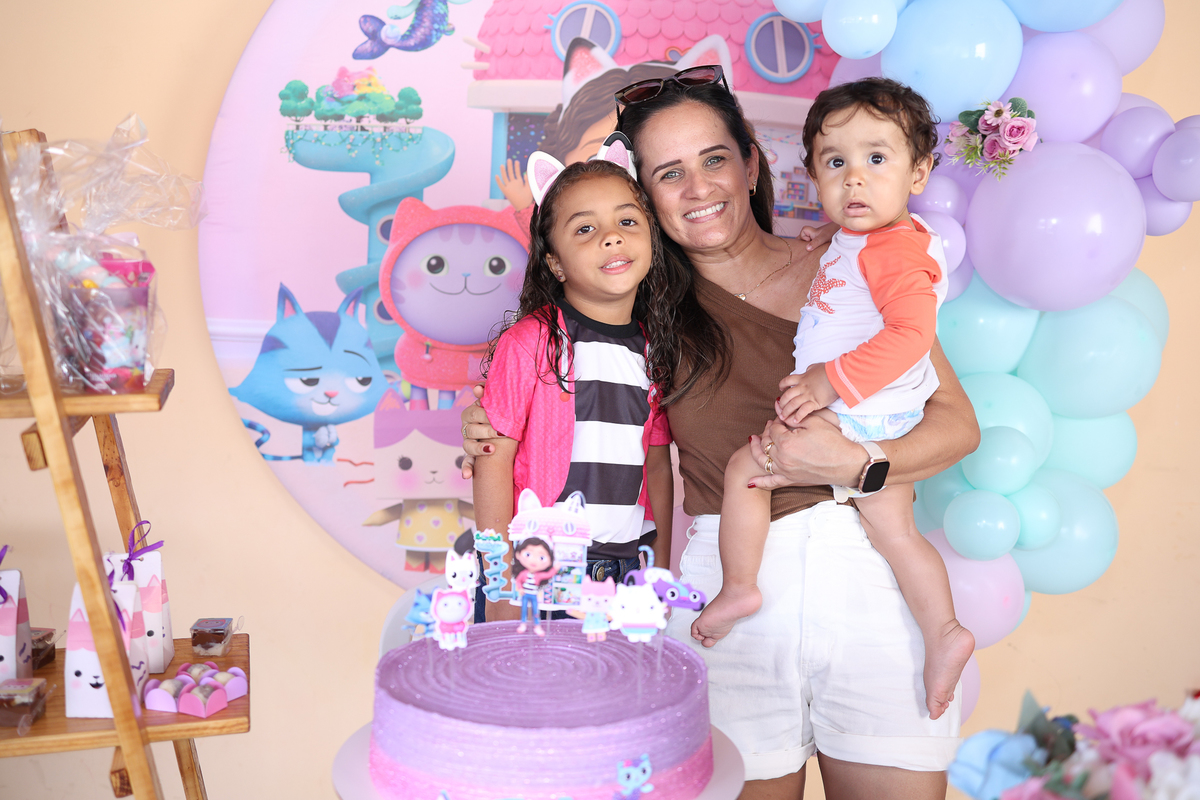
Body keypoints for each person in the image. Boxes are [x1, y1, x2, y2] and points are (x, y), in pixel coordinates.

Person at [465, 65, 979, 800]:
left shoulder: (850, 268)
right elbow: (549, 404)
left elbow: (958, 427)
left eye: (714, 159)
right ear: (644, 200)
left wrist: (858, 463)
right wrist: (493, 420)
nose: (698, 187)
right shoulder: (639, 314)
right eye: (668, 174)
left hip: (869, 574)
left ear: (752, 164)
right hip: (728, 597)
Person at [691, 79, 975, 723]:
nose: (855, 179)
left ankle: (739, 588)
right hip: (875, 415)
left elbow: (911, 335)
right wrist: (834, 235)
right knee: (896, 532)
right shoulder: (872, 240)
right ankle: (944, 630)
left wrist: (827, 383)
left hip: (853, 410)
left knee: (747, 468)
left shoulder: (895, 252)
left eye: (877, 159)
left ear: (919, 171)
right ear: (814, 173)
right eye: (836, 162)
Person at [472, 148, 682, 625]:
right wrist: (500, 582)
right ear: (556, 263)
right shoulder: (532, 341)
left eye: (627, 221)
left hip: (625, 574)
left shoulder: (654, 352)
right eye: (585, 229)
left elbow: (657, 465)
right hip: (538, 571)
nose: (612, 236)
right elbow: (492, 461)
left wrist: (660, 571)